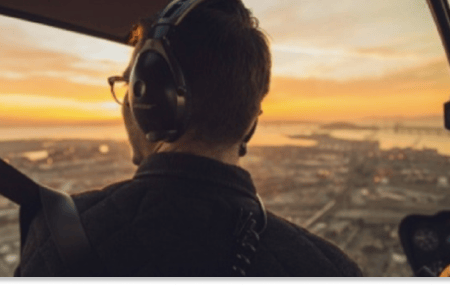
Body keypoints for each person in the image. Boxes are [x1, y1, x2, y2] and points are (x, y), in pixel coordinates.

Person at [15, 0, 363, 277]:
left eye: (129, 88)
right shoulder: (331, 267)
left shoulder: (57, 235)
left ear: (147, 98)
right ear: (250, 124)